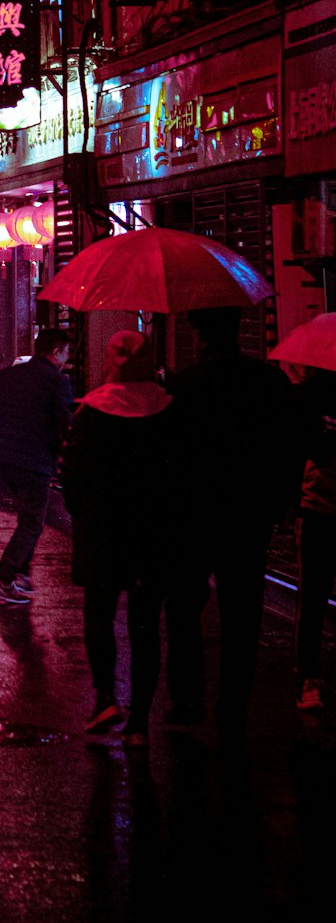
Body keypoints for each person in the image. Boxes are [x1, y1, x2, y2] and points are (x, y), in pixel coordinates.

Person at [164, 306, 298, 738]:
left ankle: (188, 702)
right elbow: (288, 449)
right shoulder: (270, 382)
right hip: (249, 513)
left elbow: (170, 455)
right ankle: (233, 706)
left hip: (192, 513)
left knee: (184, 609)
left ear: (200, 336)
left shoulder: (184, 387)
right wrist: (281, 504)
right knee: (242, 614)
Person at [62, 331, 174, 746]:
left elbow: (72, 477)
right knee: (145, 624)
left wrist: (85, 516)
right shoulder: (166, 411)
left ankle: (106, 694)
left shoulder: (93, 412)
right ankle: (140, 721)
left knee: (99, 615)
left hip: (102, 532)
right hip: (150, 533)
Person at [0, 327, 74, 605]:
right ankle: (5, 578)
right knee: (31, 524)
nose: (66, 359)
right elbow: (67, 423)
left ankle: (22, 574)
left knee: (28, 521)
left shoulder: (9, 376)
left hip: (8, 461)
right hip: (36, 463)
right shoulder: (57, 382)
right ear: (56, 352)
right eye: (65, 353)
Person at [292, 367, 336, 713]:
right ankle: (307, 675)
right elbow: (302, 445)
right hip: (319, 508)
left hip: (319, 504)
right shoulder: (314, 395)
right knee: (313, 597)